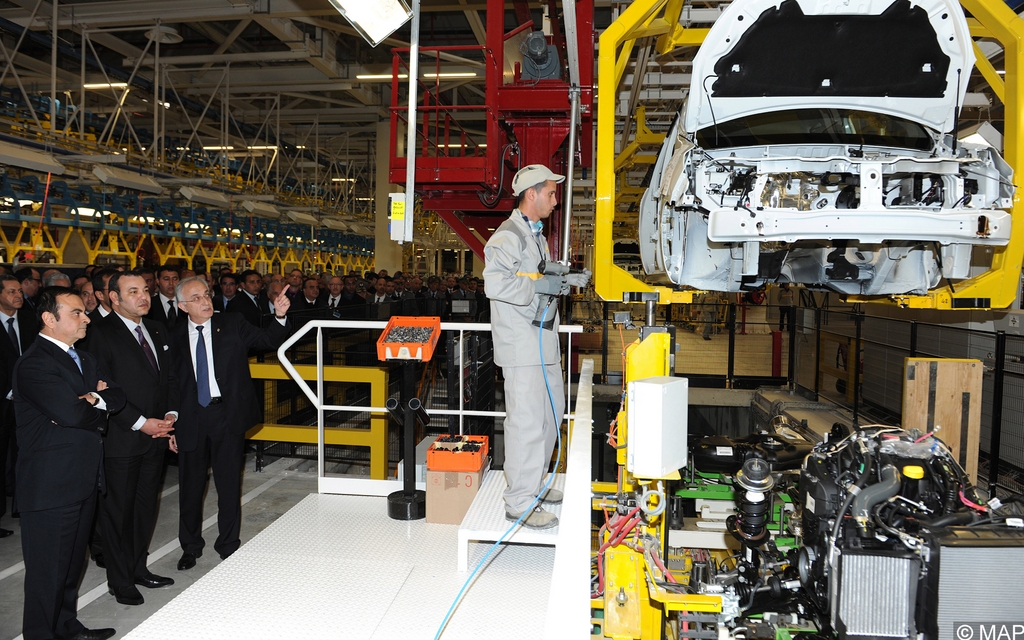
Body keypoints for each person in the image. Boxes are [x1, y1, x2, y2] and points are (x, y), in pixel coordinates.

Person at [14, 286, 125, 640]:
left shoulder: (84, 359)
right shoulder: (35, 364)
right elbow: (70, 412)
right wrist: (95, 401)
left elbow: (117, 396)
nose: (86, 318)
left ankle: (65, 627)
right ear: (49, 319)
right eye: (76, 313)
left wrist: (91, 398)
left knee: (71, 566)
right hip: (51, 487)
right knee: (48, 574)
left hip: (82, 479)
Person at [482, 164, 589, 530]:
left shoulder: (536, 235)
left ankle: (536, 485)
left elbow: (535, 275)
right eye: (551, 193)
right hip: (522, 347)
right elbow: (496, 284)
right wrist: (540, 287)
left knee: (549, 417)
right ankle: (519, 503)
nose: (555, 200)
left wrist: (561, 278)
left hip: (542, 344)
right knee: (526, 423)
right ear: (532, 194)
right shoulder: (507, 236)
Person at [170, 278, 292, 570]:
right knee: (190, 488)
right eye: (196, 298)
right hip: (190, 419)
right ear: (182, 306)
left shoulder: (233, 323)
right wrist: (170, 421)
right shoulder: (171, 336)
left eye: (207, 295)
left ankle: (228, 545)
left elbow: (268, 340)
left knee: (228, 486)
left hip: (227, 416)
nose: (205, 301)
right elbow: (169, 385)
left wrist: (280, 315)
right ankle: (190, 546)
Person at [81, 271, 178, 607]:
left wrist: (170, 417)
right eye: (133, 291)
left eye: (146, 290)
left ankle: (139, 568)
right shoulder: (100, 335)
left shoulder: (155, 329)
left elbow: (167, 380)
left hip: (154, 437)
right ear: (114, 298)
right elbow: (102, 387)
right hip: (122, 439)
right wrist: (141, 423)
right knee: (118, 513)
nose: (144, 297)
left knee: (144, 509)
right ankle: (120, 581)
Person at [0, 274, 38, 538]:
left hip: (28, 400)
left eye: (19, 291)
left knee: (25, 454)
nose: (18, 295)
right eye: (11, 291)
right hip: (1, 400)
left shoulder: (28, 320)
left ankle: (20, 506)